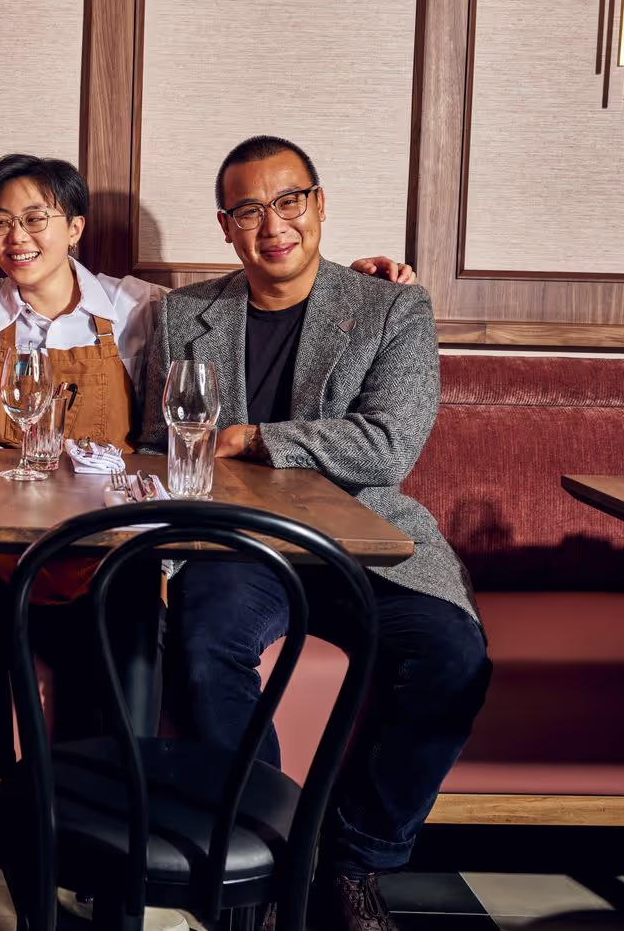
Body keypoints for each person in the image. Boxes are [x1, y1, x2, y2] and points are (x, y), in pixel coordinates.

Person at [0, 152, 418, 931]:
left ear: (74, 227)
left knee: (131, 608)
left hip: (102, 542)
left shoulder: (138, 309)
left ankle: (108, 847)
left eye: (36, 217)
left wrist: (366, 275)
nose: (15, 236)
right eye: (1, 221)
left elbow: (249, 296)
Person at [137, 136, 490, 931]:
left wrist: (254, 437)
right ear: (226, 227)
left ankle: (355, 854)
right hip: (241, 543)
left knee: (453, 655)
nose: (274, 224)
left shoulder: (393, 306)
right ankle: (266, 855)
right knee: (201, 644)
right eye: (251, 209)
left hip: (367, 539)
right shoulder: (184, 313)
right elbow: (156, 436)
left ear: (320, 205)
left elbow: (389, 443)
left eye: (289, 201)